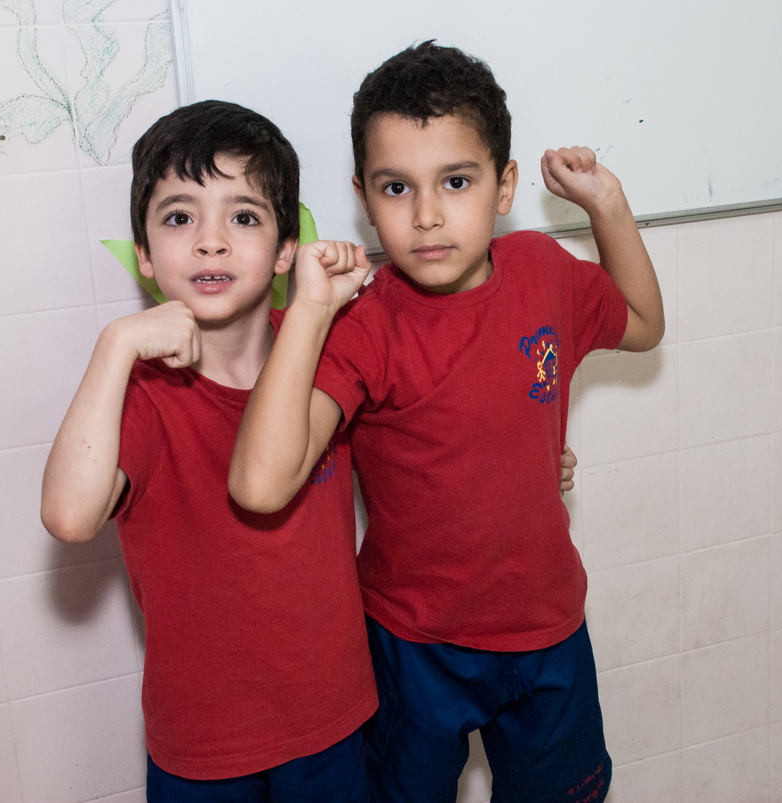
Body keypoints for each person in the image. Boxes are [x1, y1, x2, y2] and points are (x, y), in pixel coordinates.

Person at [229, 41, 665, 803]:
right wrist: (311, 311)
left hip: (547, 626)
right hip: (413, 640)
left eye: (455, 181)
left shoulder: (543, 270)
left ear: (504, 186)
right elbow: (262, 486)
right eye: (397, 187)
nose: (426, 215)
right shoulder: (364, 324)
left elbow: (642, 324)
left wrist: (608, 206)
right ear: (364, 195)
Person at [39, 100, 379, 802]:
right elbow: (70, 516)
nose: (211, 243)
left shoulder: (323, 343)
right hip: (201, 744)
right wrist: (115, 346)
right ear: (144, 253)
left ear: (286, 250)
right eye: (178, 218)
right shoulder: (139, 390)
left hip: (334, 721)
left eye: (244, 217)